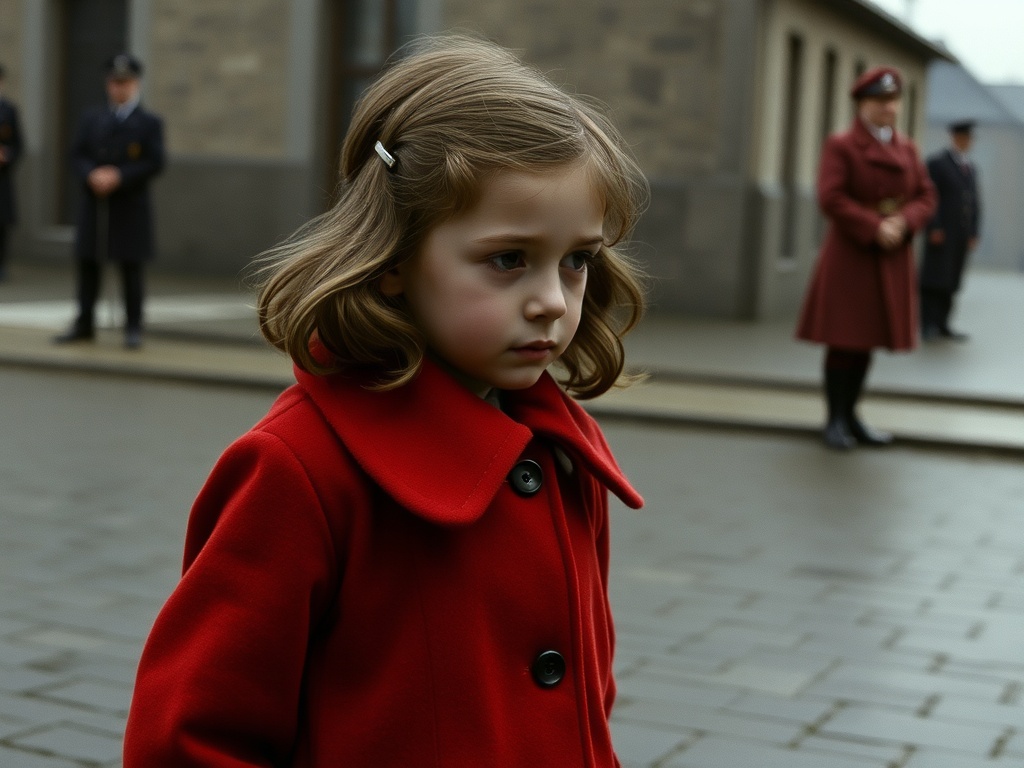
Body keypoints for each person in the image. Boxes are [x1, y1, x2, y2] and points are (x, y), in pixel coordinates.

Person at [123, 36, 647, 767]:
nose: (553, 302)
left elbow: (584, 706)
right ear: (396, 257)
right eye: (508, 260)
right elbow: (191, 737)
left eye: (577, 260)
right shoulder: (299, 470)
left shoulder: (565, 454)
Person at [796, 67, 936, 451]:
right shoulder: (842, 145)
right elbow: (831, 196)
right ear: (862, 104)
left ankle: (854, 416)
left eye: (892, 101)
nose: (887, 108)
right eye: (878, 101)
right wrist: (875, 226)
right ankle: (835, 419)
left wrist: (904, 222)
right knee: (845, 340)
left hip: (891, 256)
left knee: (868, 340)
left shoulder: (907, 148)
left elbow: (926, 196)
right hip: (852, 255)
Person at [54, 53, 164, 349]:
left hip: (129, 205)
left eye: (125, 82)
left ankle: (133, 326)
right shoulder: (93, 118)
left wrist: (120, 175)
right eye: (114, 82)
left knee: (130, 267)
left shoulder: (148, 122)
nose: (119, 88)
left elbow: (155, 162)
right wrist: (92, 174)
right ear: (107, 84)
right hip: (95, 203)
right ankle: (84, 322)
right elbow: (77, 154)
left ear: (136, 84)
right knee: (88, 263)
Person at [919, 119, 981, 341]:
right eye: (963, 138)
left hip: (960, 235)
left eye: (970, 139)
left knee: (952, 279)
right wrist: (934, 226)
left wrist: (974, 232)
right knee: (934, 278)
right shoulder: (938, 163)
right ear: (955, 138)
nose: (967, 142)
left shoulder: (970, 168)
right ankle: (927, 324)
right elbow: (929, 197)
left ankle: (944, 323)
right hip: (942, 233)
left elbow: (974, 202)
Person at [0, 64, 23, 282]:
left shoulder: (8, 110)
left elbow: (18, 144)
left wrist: (7, 155)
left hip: (1, 177)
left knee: (2, 223)